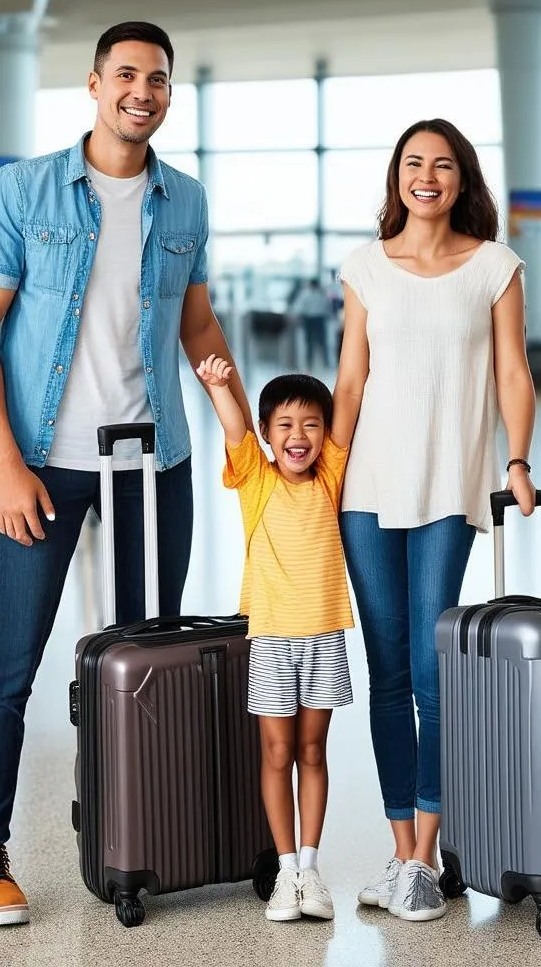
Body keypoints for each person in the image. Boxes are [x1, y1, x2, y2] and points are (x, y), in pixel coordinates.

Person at [0, 21, 249, 927]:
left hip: (153, 463)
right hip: (45, 466)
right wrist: (6, 464)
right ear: (93, 84)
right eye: (127, 74)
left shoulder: (186, 201)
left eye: (159, 79)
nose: (143, 91)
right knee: (16, 660)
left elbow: (198, 330)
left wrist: (240, 429)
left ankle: (140, 833)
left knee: (152, 657)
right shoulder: (24, 190)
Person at [333, 118, 536, 922]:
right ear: (397, 178)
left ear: (462, 180)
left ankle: (429, 851)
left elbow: (514, 370)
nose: (427, 176)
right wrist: (328, 477)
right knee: (385, 673)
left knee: (429, 669)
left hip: (450, 487)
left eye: (442, 165)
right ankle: (401, 854)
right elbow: (350, 381)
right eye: (414, 163)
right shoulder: (364, 268)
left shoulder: (494, 266)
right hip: (366, 489)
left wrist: (517, 460)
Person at [196, 355, 353, 923]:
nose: (298, 436)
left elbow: (350, 395)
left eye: (311, 424)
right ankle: (286, 869)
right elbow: (233, 428)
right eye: (285, 425)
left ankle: (310, 869)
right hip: (270, 640)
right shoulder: (256, 479)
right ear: (268, 434)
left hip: (323, 638)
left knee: (313, 752)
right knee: (276, 752)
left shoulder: (331, 476)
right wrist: (218, 387)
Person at [291, 278, 333, 369]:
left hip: (309, 320)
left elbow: (299, 308)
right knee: (322, 343)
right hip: (320, 320)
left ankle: (310, 363)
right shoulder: (322, 294)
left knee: (310, 343)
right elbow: (328, 308)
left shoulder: (306, 294)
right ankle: (326, 363)